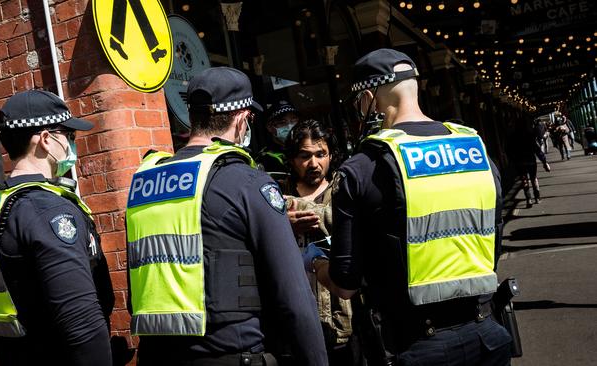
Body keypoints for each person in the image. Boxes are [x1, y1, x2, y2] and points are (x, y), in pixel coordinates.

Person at [303, 48, 512, 365]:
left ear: (369, 98)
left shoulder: (362, 167)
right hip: (489, 335)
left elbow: (345, 285)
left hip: (419, 345)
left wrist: (315, 262)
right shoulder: (475, 148)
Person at [125, 67, 328, 366]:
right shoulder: (246, 182)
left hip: (157, 356)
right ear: (242, 118)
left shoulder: (144, 182)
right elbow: (294, 297)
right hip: (231, 354)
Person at [0, 90, 114, 366]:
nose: (72, 142)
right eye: (68, 135)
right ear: (46, 139)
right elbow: (81, 320)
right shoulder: (48, 211)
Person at [283, 120, 360, 366]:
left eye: (321, 154)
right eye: (305, 156)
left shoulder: (345, 189)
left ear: (330, 155)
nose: (314, 164)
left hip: (346, 317)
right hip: (299, 320)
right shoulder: (274, 193)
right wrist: (283, 223)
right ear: (293, 159)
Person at [510, 120, 551, 208]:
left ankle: (528, 199)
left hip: (520, 162)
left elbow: (509, 150)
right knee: (534, 179)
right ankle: (537, 197)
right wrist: (544, 161)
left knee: (524, 180)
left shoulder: (513, 137)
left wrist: (513, 160)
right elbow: (537, 150)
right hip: (531, 161)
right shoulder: (529, 136)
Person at [255, 100, 300, 180]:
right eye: (282, 122)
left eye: (293, 120)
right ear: (270, 127)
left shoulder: (304, 146)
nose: (290, 126)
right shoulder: (265, 159)